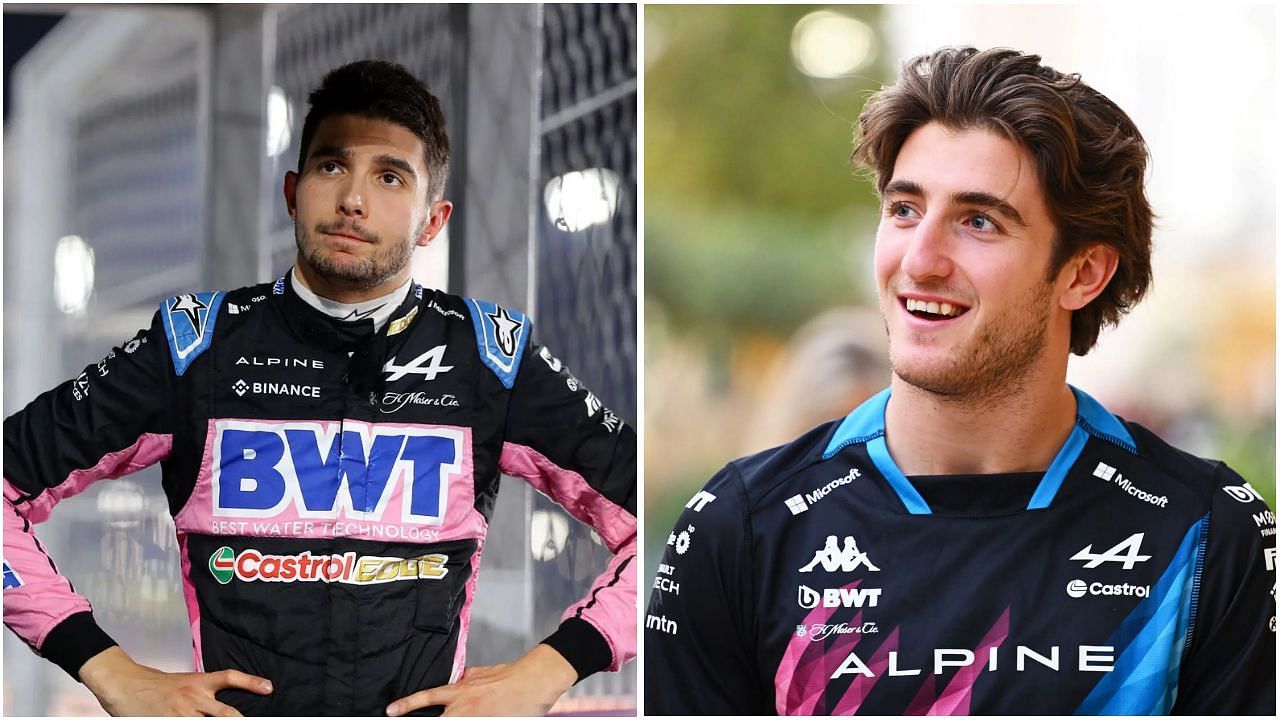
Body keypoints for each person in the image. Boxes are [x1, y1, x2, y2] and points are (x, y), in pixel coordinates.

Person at [645, 46, 1274, 715]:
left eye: (978, 221)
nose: (920, 260)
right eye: (905, 209)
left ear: (1083, 272)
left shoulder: (1206, 530)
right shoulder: (743, 523)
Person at [4, 59, 636, 716]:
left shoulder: (489, 355)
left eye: (390, 176)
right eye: (331, 166)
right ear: (291, 190)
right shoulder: (195, 343)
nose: (353, 199)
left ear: (432, 221)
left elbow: (662, 524)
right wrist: (105, 667)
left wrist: (550, 669)